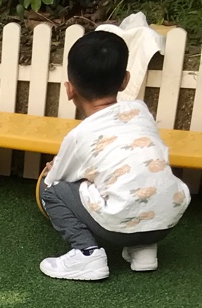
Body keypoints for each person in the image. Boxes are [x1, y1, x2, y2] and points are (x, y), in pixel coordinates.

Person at [39, 29, 190, 281]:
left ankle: (87, 254)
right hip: (166, 221)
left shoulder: (79, 136)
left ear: (69, 89)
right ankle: (143, 250)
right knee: (133, 180)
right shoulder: (141, 112)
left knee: (50, 188)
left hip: (119, 226)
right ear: (125, 80)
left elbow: (58, 177)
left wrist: (52, 167)